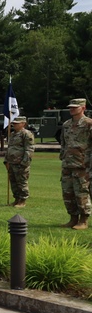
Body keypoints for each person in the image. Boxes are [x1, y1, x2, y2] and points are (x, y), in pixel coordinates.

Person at [60, 98, 92, 229]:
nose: (71, 109)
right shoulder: (66, 124)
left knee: (81, 193)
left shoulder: (89, 124)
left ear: (83, 108)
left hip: (82, 165)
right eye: (70, 107)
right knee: (68, 192)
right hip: (67, 164)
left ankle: (83, 220)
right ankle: (73, 218)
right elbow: (64, 142)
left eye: (75, 107)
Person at [4, 116, 35, 208]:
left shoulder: (26, 134)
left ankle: (22, 200)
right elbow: (10, 148)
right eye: (14, 123)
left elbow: (29, 149)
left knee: (21, 182)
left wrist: (25, 162)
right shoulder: (12, 134)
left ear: (23, 124)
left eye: (17, 123)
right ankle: (17, 199)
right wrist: (6, 161)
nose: (14, 125)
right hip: (12, 162)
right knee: (13, 182)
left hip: (20, 162)